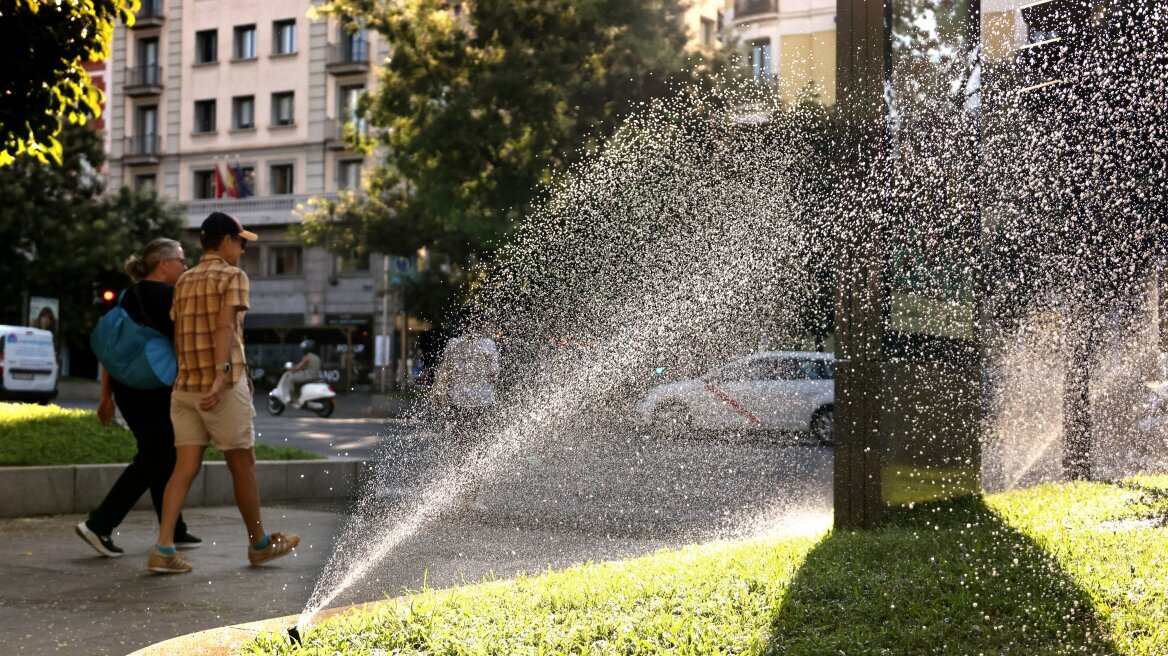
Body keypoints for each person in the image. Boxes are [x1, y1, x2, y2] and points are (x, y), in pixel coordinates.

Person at [147, 212, 299, 574]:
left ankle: (163, 547)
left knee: (185, 466)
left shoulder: (183, 281)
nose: (243, 250)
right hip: (221, 389)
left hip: (185, 389)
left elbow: (181, 332)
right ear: (226, 241)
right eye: (241, 243)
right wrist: (221, 375)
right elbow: (225, 325)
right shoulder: (233, 276)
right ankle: (259, 544)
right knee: (242, 464)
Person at [76, 239, 202, 557]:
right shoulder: (166, 296)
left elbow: (112, 347)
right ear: (163, 264)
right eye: (181, 260)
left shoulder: (126, 294)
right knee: (157, 455)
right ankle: (100, 524)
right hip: (152, 387)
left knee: (162, 454)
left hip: (126, 387)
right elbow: (185, 345)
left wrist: (106, 395)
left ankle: (174, 528)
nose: (185, 266)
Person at [283, 339, 322, 403]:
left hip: (309, 376)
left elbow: (298, 368)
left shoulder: (307, 357)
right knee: (298, 377)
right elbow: (307, 367)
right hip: (316, 376)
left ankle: (292, 397)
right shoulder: (317, 357)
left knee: (290, 378)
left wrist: (289, 369)